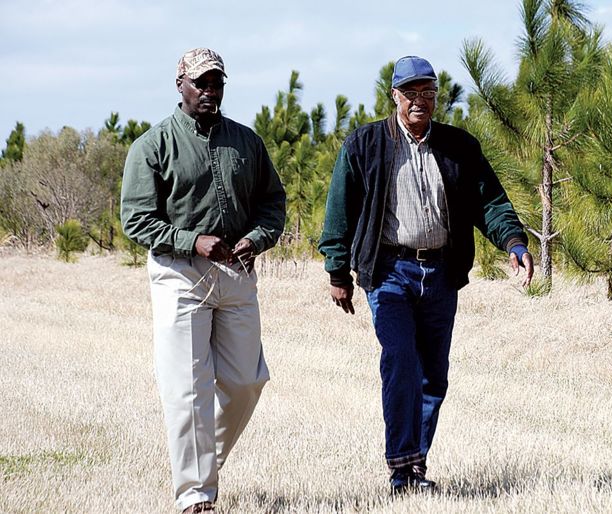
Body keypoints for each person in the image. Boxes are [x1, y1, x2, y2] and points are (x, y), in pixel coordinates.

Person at [318, 55, 534, 493]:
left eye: (429, 93)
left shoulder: (459, 147)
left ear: (438, 98)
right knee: (400, 361)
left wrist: (513, 241)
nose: (420, 102)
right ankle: (401, 469)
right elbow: (339, 212)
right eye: (411, 93)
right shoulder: (365, 145)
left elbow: (488, 201)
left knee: (433, 376)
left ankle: (416, 465)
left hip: (439, 273)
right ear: (394, 96)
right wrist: (338, 272)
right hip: (389, 272)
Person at [120, 48, 286, 514]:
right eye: (202, 83)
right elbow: (135, 221)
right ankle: (195, 496)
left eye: (217, 83)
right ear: (181, 85)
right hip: (179, 275)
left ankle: (198, 463)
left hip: (236, 272)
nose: (211, 91)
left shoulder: (247, 142)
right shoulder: (151, 146)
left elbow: (273, 202)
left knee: (247, 381)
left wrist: (257, 237)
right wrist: (193, 242)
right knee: (188, 388)